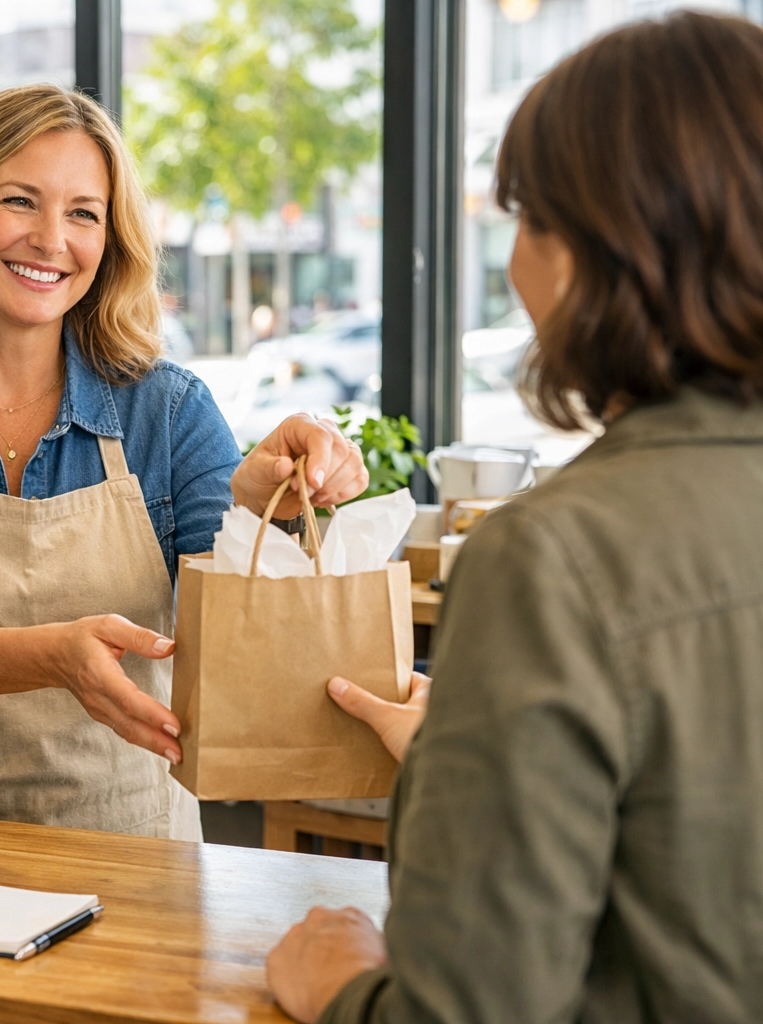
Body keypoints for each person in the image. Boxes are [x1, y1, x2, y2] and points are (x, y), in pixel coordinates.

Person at [265, 12, 763, 1022]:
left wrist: (341, 987)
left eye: (525, 220)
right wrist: (470, 771)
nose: (511, 268)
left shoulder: (553, 559)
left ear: (587, 252)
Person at [0, 84, 368, 840]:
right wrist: (54, 657)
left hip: (128, 840)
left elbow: (228, 622)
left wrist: (260, 505)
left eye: (83, 213)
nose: (51, 239)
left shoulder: (167, 410)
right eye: (20, 201)